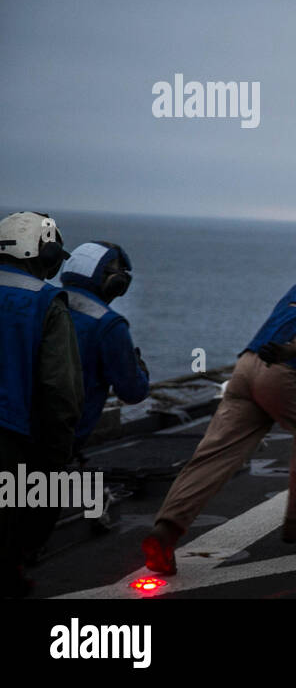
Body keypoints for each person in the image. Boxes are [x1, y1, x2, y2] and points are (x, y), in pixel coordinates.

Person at [143, 248, 296, 575]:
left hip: (246, 369)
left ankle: (168, 528)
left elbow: (289, 324)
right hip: (285, 374)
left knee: (215, 453)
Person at [0, 212, 82, 598]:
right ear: (43, 252)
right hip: (13, 439)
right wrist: (59, 452)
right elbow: (59, 389)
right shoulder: (47, 302)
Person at [58, 242, 151, 454]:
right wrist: (140, 371)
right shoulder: (109, 324)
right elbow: (132, 392)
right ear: (114, 282)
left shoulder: (43, 303)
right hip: (63, 439)